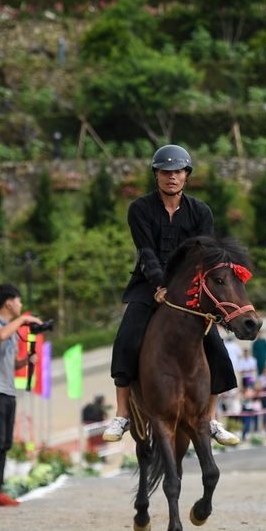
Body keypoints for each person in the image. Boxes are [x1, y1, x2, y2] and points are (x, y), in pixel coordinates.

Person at [103, 144, 240, 447]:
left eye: (177, 171)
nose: (171, 177)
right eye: (165, 172)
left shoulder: (201, 211)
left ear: (186, 175)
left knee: (216, 346)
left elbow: (202, 255)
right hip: (147, 284)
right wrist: (158, 285)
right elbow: (145, 252)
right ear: (156, 175)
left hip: (188, 289)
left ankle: (212, 417)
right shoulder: (139, 208)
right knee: (126, 338)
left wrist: (180, 287)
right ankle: (122, 413)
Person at [0, 282, 43, 509]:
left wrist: (25, 362)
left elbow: (9, 363)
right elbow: (0, 335)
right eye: (19, 301)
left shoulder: (10, 330)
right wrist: (23, 320)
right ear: (9, 303)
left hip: (7, 391)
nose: (21, 305)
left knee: (4, 443)